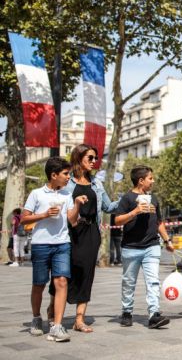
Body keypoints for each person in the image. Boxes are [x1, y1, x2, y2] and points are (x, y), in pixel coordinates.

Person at [48, 143, 117, 333]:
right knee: (63, 273)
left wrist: (129, 200)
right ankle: (54, 307)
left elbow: (109, 207)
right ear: (79, 158)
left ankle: (79, 319)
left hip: (91, 233)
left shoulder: (97, 183)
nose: (94, 162)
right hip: (68, 232)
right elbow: (54, 201)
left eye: (95, 158)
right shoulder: (66, 182)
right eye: (90, 158)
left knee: (86, 274)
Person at [21, 157, 87, 342]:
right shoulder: (36, 194)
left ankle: (57, 327)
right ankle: (36, 318)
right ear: (53, 175)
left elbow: (72, 221)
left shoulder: (67, 194)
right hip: (40, 245)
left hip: (62, 244)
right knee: (39, 284)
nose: (68, 177)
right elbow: (24, 219)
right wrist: (43, 214)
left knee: (61, 282)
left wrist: (77, 204)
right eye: (65, 174)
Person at [114, 165, 174, 329]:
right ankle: (127, 312)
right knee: (128, 282)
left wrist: (167, 241)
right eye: (150, 178)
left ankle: (154, 314)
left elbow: (159, 222)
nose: (153, 181)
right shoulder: (126, 199)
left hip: (151, 246)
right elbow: (117, 220)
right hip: (130, 247)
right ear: (141, 181)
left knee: (153, 281)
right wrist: (136, 211)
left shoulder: (153, 199)